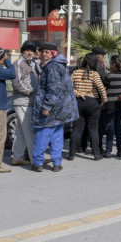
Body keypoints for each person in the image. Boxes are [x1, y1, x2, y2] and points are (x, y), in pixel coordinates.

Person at [31, 43, 78, 172]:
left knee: (42, 134)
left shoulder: (52, 67)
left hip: (52, 108)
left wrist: (47, 106)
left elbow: (53, 89)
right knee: (57, 135)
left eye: (47, 52)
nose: (44, 54)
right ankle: (57, 163)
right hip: (61, 108)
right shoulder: (59, 65)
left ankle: (38, 163)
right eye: (42, 52)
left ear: (53, 53)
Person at [69, 53, 107, 161]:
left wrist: (77, 92)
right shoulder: (94, 74)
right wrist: (104, 100)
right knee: (93, 129)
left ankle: (71, 153)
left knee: (76, 128)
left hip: (78, 102)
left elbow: (68, 87)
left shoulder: (75, 72)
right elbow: (101, 88)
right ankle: (97, 154)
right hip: (92, 102)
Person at [11, 41, 39, 166]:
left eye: (32, 51)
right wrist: (30, 92)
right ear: (23, 51)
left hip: (28, 101)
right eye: (28, 50)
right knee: (29, 130)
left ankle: (17, 157)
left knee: (21, 131)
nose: (30, 53)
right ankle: (36, 160)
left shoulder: (31, 63)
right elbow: (16, 83)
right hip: (23, 101)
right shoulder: (18, 63)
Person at [102, 55, 121, 158]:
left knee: (110, 128)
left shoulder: (109, 76)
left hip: (110, 105)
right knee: (119, 128)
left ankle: (108, 151)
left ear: (113, 64)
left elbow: (104, 88)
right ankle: (120, 151)